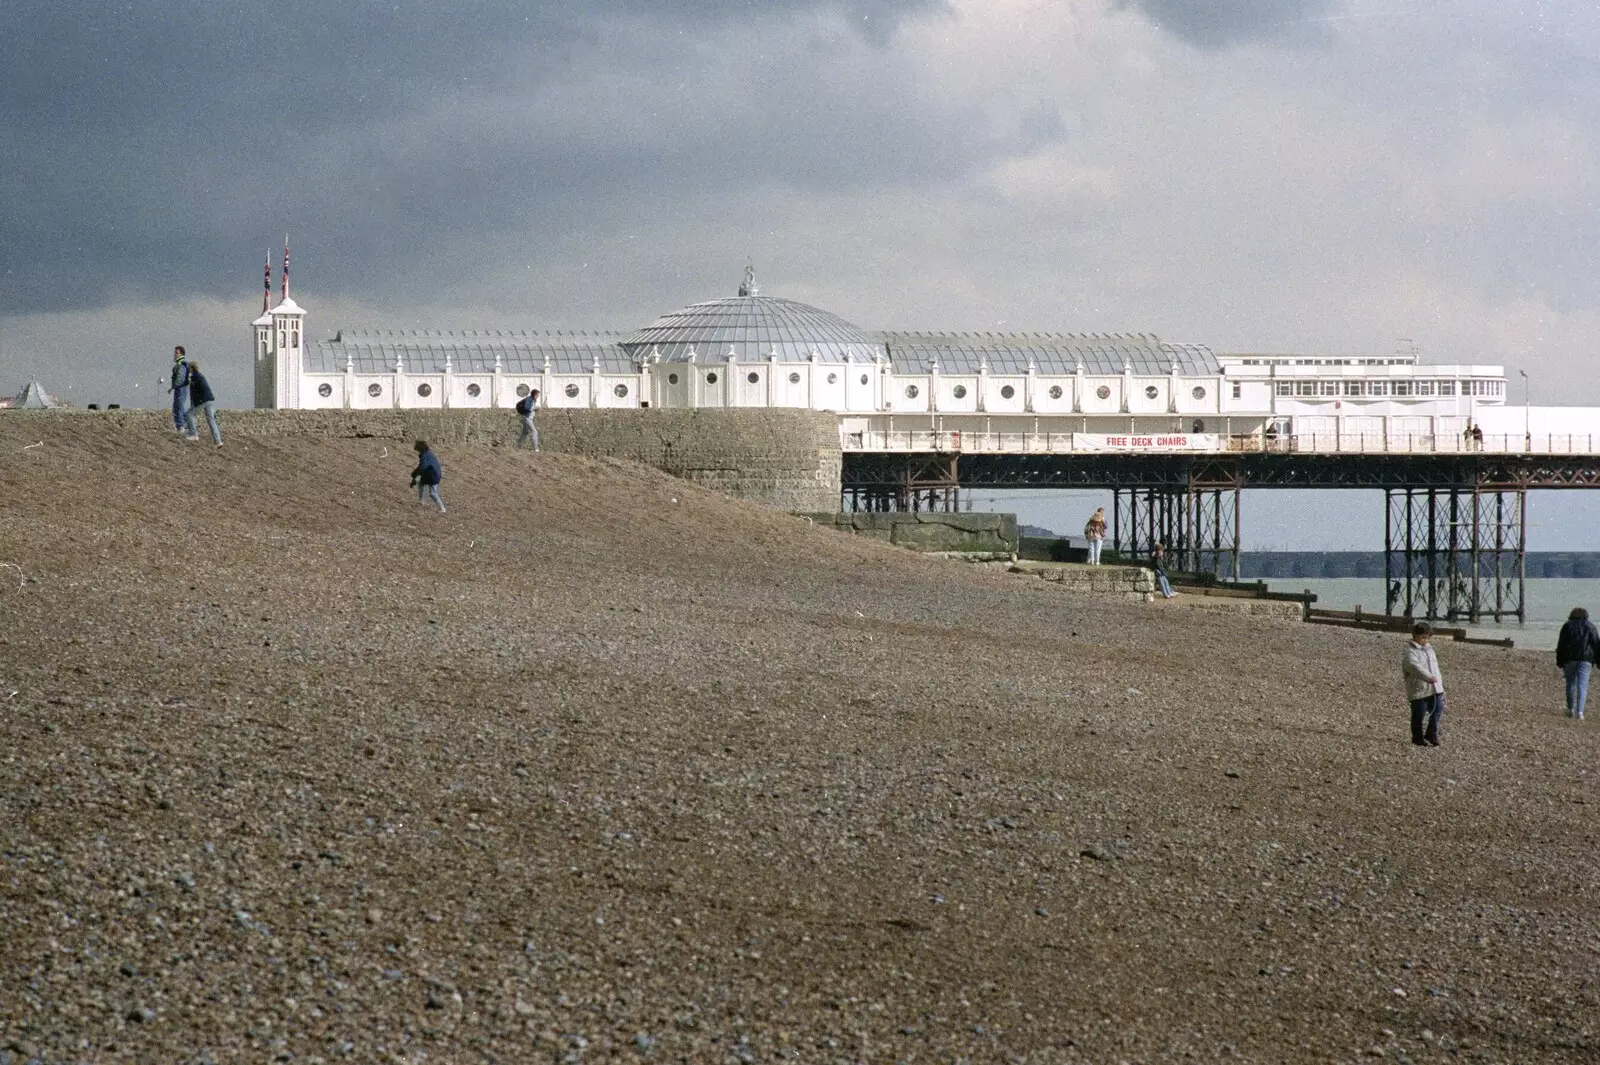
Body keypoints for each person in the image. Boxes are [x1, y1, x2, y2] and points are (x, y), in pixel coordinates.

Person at [1402, 622, 1445, 747]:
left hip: (1435, 687)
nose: (1425, 640)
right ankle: (1417, 737)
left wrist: (1440, 684)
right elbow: (1414, 667)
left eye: (1427, 637)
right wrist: (1428, 677)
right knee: (1418, 714)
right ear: (1415, 636)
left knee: (1437, 709)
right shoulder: (1410, 652)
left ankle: (1431, 734)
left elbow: (1436, 668)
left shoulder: (1430, 650)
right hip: (1418, 688)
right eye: (1422, 637)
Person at [1555, 607, 1599, 721]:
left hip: (1569, 659)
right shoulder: (1590, 626)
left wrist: (1559, 660)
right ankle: (1580, 712)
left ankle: (1570, 709)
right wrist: (1598, 661)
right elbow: (1596, 645)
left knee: (1570, 684)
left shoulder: (1567, 626)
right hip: (1586, 660)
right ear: (1586, 616)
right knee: (1582, 686)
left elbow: (1561, 645)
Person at [183, 359, 222, 446]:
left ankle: (194, 434)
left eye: (188, 368)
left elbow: (194, 393)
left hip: (203, 400)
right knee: (211, 420)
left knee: (189, 414)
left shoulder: (195, 377)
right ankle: (218, 441)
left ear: (192, 368)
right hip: (209, 399)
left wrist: (194, 405)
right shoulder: (199, 376)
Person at [410, 440, 445, 513]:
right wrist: (414, 474)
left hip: (433, 476)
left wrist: (415, 479)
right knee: (421, 484)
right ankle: (421, 501)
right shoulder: (427, 453)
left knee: (433, 493)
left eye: (417, 449)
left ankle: (442, 508)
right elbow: (421, 468)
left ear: (420, 448)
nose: (417, 451)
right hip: (430, 474)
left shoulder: (425, 456)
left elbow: (422, 469)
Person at [167, 346, 190, 434]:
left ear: (181, 354)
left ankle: (181, 426)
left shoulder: (181, 363)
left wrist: (174, 386)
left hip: (181, 388)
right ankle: (185, 426)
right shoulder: (180, 363)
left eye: (176, 353)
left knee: (179, 407)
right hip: (180, 388)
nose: (175, 355)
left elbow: (180, 378)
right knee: (179, 406)